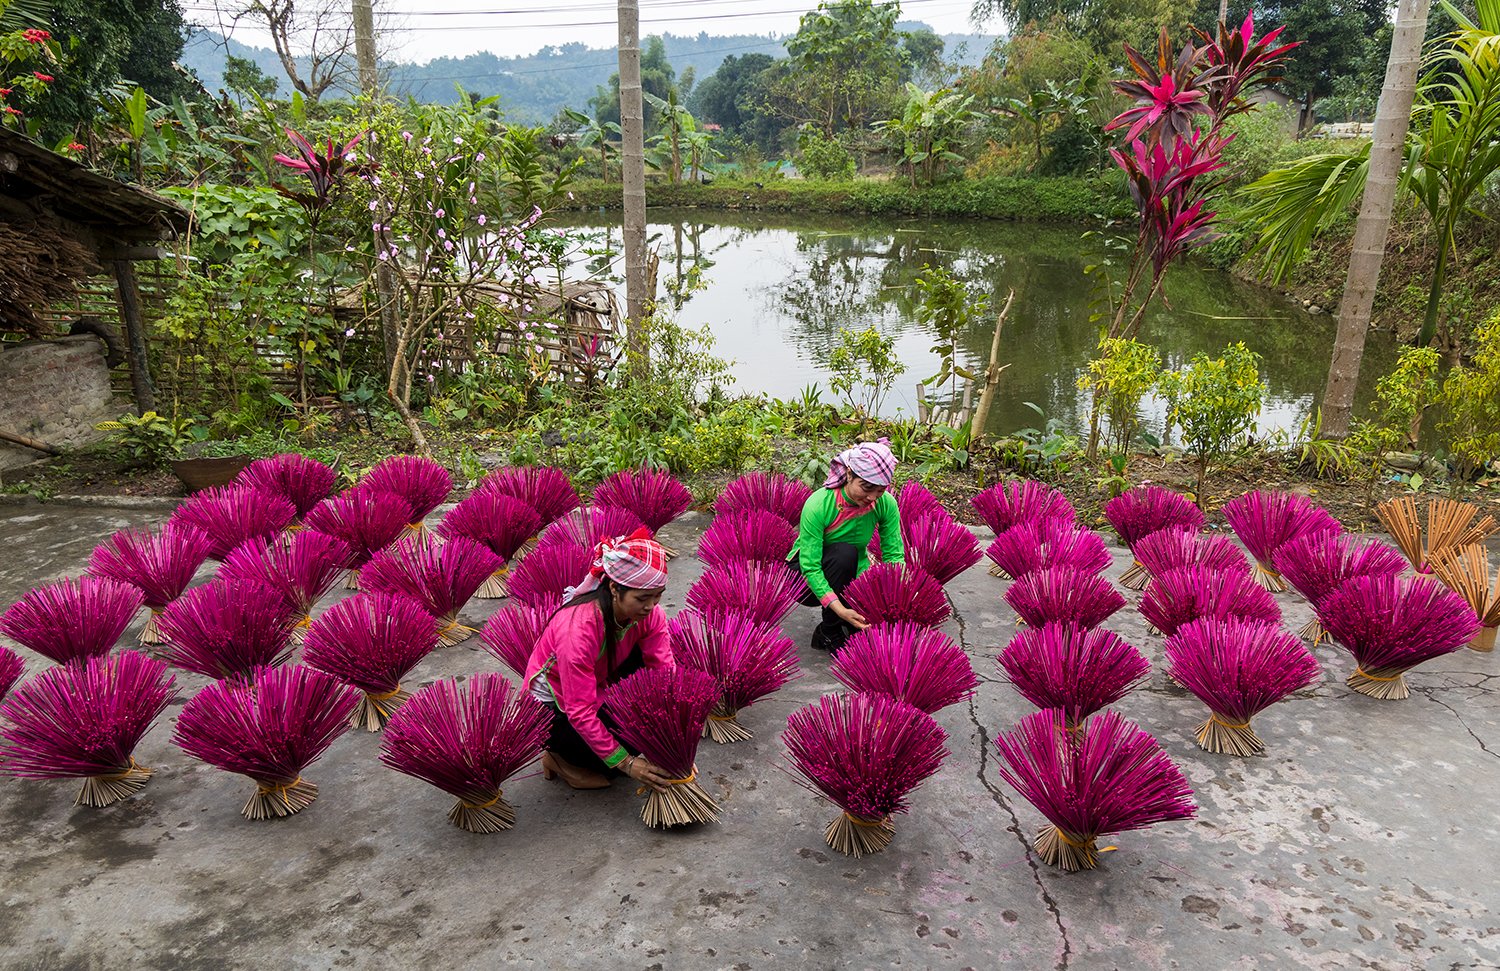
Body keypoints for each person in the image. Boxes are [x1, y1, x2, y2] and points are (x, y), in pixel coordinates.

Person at [524, 529, 675, 792]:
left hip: (599, 681)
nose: (651, 606)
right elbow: (579, 711)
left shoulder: (650, 614)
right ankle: (558, 759)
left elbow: (664, 671)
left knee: (643, 730)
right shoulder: (578, 631)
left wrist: (674, 738)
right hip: (554, 707)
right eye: (642, 598)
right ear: (615, 588)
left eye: (658, 595)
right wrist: (627, 763)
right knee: (617, 756)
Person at [791, 439, 904, 652]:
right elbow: (811, 567)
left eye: (880, 490)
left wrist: (895, 594)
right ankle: (829, 631)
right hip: (802, 579)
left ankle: (846, 622)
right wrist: (840, 610)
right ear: (849, 474)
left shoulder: (885, 503)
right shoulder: (819, 505)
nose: (872, 497)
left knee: (873, 575)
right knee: (845, 553)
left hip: (851, 570)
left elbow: (894, 555)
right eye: (866, 487)